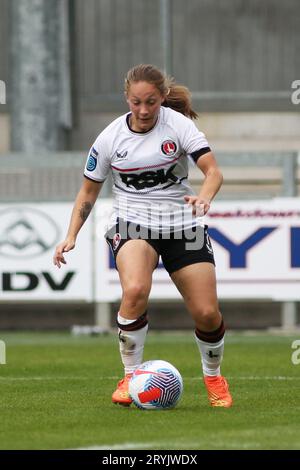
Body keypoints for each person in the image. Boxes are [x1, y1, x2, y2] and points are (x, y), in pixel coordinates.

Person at [53, 64, 232, 408]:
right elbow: (88, 192)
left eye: (151, 101)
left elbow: (213, 171)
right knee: (134, 289)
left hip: (183, 226)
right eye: (136, 102)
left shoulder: (179, 126)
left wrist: (205, 198)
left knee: (208, 313)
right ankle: (131, 375)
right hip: (133, 224)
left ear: (163, 97)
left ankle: (214, 378)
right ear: (127, 99)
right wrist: (70, 235)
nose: (144, 110)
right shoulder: (109, 138)